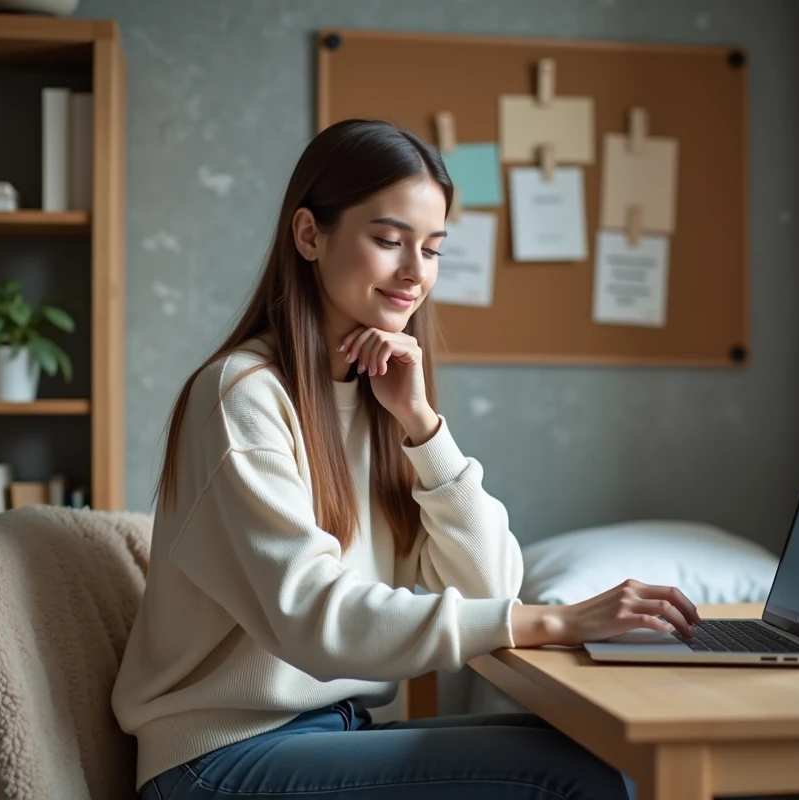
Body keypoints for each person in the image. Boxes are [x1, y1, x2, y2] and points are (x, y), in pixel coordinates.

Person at [111, 118, 704, 800]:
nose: (415, 272)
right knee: (576, 779)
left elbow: (489, 584)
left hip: (329, 730)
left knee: (607, 754)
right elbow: (311, 618)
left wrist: (423, 427)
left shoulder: (382, 398)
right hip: (214, 761)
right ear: (309, 235)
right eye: (389, 240)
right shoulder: (241, 396)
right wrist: (557, 622)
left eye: (433, 248)